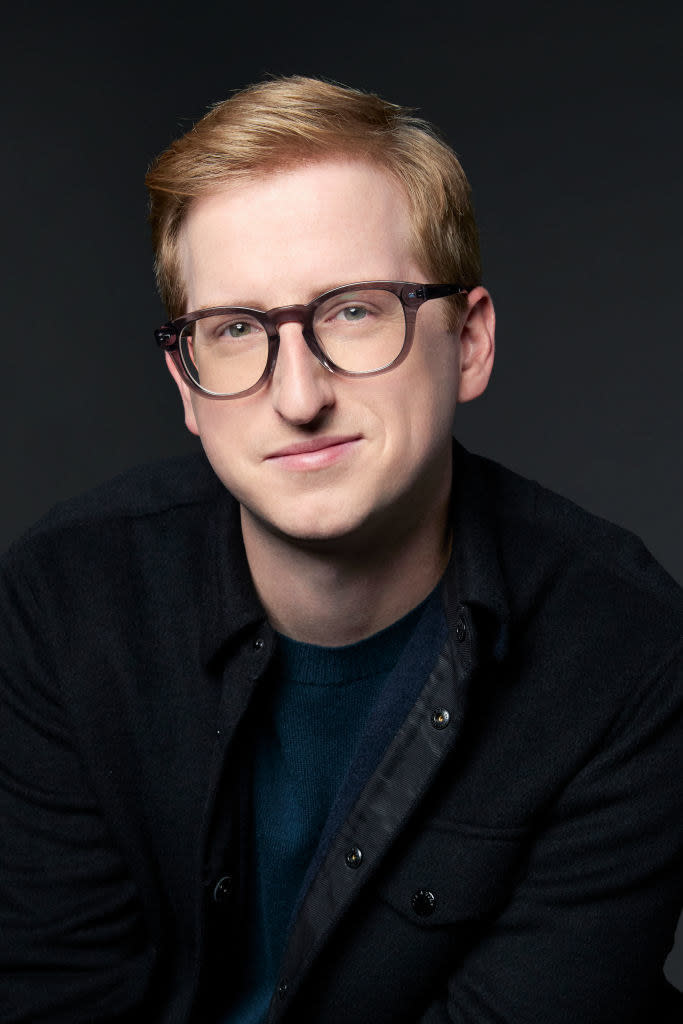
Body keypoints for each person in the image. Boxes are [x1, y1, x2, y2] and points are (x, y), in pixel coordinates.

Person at [1, 76, 681, 1024]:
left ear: (470, 342)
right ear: (187, 384)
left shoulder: (627, 652)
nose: (297, 394)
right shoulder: (61, 604)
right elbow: (52, 1002)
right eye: (235, 330)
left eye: (355, 310)